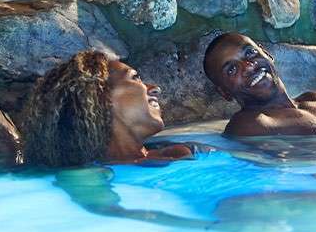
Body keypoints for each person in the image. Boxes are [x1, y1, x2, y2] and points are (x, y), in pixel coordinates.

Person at [21, 50, 195, 166]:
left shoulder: (176, 153)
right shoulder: (86, 182)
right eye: (135, 78)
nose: (154, 88)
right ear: (102, 97)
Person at [203, 32, 316, 137]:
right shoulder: (247, 124)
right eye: (232, 69)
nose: (248, 66)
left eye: (250, 53)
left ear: (267, 54)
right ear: (224, 93)